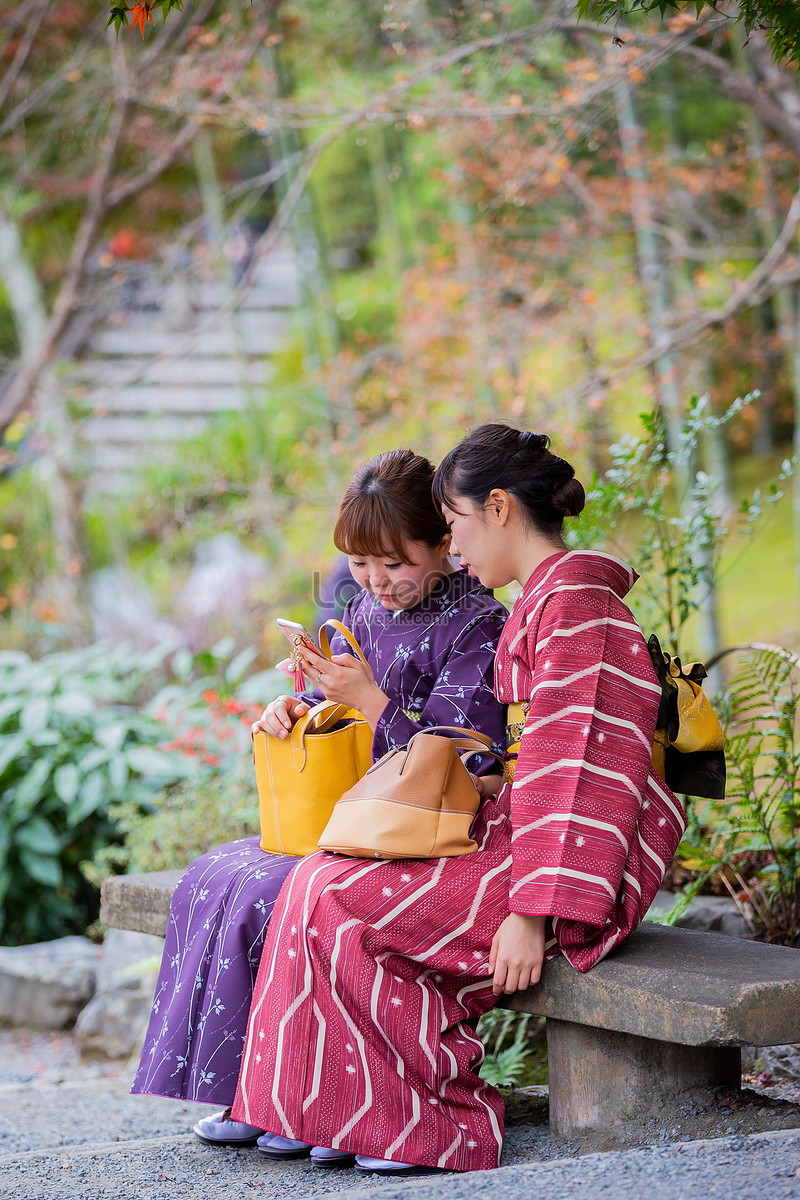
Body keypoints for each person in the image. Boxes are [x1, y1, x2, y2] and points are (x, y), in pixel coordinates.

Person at [231, 425, 686, 1176]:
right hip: (532, 834)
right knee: (318, 877)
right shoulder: (549, 600)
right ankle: (336, 1112)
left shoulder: (577, 607)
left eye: (458, 523)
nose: (453, 545)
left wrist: (531, 914)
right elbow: (535, 765)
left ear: (499, 508)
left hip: (571, 871)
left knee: (344, 898)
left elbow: (580, 777)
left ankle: (432, 1125)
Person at [131, 449, 507, 1158]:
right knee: (222, 878)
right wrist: (294, 706)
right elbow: (331, 700)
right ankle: (255, 1091)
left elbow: (472, 755)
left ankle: (321, 1106)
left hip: (431, 830)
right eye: (361, 565)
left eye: (395, 562)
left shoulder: (476, 623)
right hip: (356, 815)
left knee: (285, 888)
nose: (376, 582)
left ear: (443, 544)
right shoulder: (363, 607)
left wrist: (370, 701)